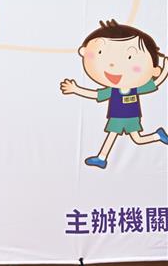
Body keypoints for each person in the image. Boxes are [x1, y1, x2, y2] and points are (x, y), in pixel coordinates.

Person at [60, 19, 168, 169]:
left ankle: (157, 136)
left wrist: (165, 69)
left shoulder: (135, 88)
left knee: (136, 139)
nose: (113, 65)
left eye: (130, 58)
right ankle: (102, 158)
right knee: (117, 136)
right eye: (100, 53)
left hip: (131, 117)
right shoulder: (112, 91)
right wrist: (76, 89)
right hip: (116, 116)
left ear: (154, 71)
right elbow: (96, 95)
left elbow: (156, 83)